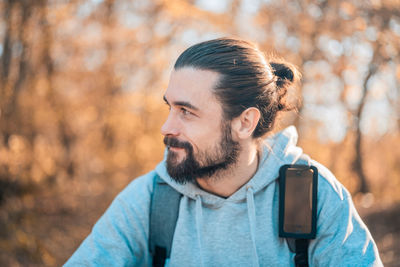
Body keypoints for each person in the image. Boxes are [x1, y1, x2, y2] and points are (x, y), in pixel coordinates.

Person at [64, 38, 382, 266]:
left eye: (186, 112)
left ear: (244, 123)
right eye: (170, 108)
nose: (166, 127)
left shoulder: (312, 195)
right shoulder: (150, 199)